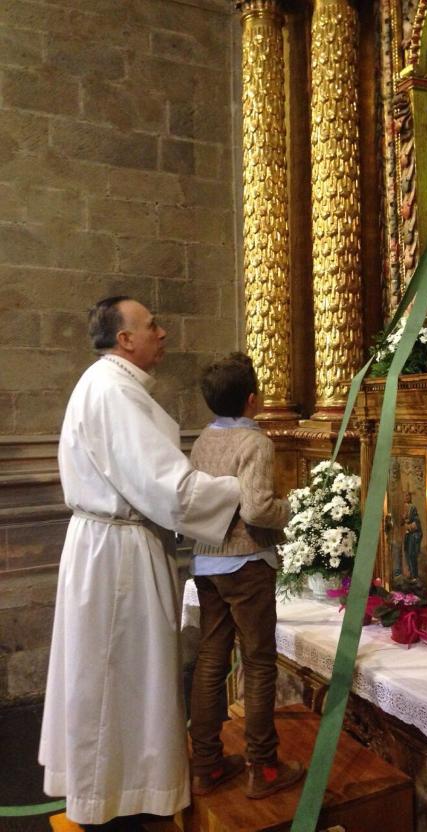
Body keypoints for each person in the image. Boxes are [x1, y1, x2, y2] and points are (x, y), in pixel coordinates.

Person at [38, 297, 241, 830]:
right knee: (121, 677)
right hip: (118, 557)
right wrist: (239, 494)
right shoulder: (114, 392)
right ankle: (121, 797)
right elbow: (167, 487)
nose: (164, 333)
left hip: (110, 546)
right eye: (152, 326)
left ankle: (114, 788)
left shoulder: (108, 385)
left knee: (112, 677)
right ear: (125, 339)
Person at [188, 353, 305, 800]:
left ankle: (206, 764)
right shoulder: (255, 442)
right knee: (257, 663)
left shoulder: (202, 440)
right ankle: (264, 766)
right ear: (253, 398)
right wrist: (291, 510)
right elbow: (257, 508)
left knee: (211, 660)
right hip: (245, 562)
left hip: (207, 562)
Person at [402, 493, 422, 581]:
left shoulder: (413, 507)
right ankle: (411, 573)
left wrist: (408, 525)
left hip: (413, 535)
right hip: (407, 535)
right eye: (405, 496)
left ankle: (415, 575)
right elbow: (402, 521)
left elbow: (413, 522)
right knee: (407, 554)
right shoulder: (403, 507)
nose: (406, 497)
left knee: (412, 554)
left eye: (408, 496)